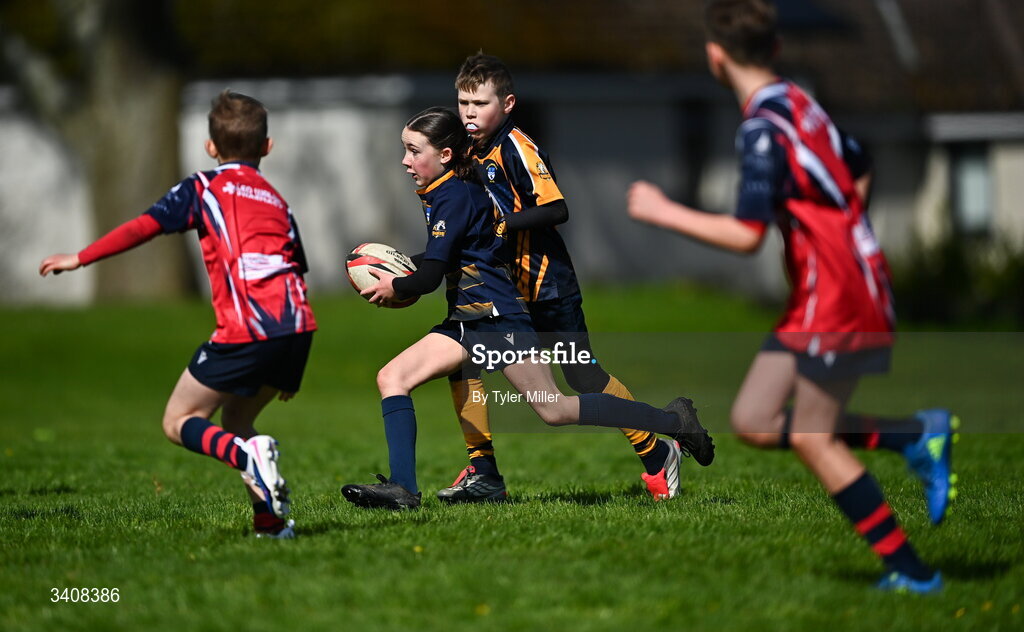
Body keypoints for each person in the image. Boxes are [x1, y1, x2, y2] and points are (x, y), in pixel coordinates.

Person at [626, 0, 955, 593]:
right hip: (833, 285)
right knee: (753, 419)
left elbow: (746, 235)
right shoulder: (802, 104)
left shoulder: (760, 129)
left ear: (715, 57)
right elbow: (859, 166)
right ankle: (912, 435)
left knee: (810, 437)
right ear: (774, 50)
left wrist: (662, 210)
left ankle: (913, 573)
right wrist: (841, 235)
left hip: (835, 294)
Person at [340, 107, 711, 510]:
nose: (405, 161)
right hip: (468, 321)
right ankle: (405, 488)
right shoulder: (444, 191)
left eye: (413, 151)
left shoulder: (454, 196)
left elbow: (429, 278)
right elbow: (445, 259)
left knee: (555, 409)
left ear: (445, 155)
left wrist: (395, 283)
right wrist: (401, 272)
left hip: (499, 322)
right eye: (404, 150)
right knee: (392, 377)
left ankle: (674, 422)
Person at [432, 53, 711, 505]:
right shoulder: (469, 151)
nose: (468, 112)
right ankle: (482, 471)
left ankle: (661, 444)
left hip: (547, 286)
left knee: (583, 378)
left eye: (479, 103)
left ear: (507, 104)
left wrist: (506, 224)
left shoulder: (517, 147)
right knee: (463, 359)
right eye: (462, 102)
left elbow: (558, 208)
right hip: (503, 292)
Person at [39, 90, 316, 539]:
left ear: (210, 147)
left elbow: (144, 226)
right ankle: (269, 524)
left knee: (179, 421)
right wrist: (286, 364)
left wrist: (81, 257)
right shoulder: (277, 201)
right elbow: (295, 268)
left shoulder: (204, 188)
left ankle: (248, 458)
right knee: (239, 422)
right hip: (296, 328)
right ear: (267, 147)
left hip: (248, 328)